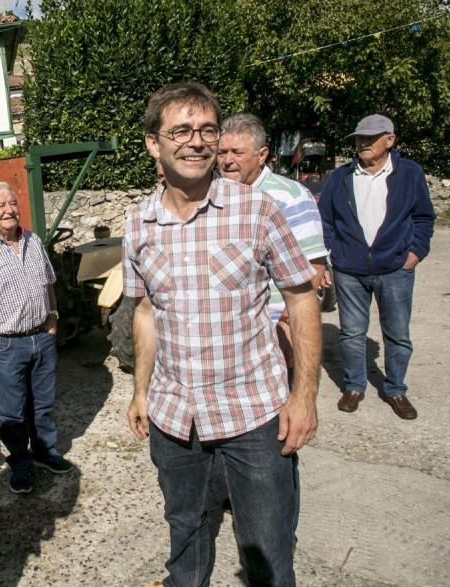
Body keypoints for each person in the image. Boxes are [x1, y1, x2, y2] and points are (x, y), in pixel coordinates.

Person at [125, 82, 321, 585]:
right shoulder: (137, 224)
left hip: (253, 416)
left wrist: (304, 397)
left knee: (268, 551)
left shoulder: (256, 209)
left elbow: (301, 297)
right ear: (153, 143)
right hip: (174, 421)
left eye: (207, 130)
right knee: (185, 536)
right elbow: (146, 310)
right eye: (182, 131)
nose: (196, 142)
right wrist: (141, 391)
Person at [0, 181, 72, 495]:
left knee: (43, 404)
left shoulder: (33, 240)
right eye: (0, 206)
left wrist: (53, 316)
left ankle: (46, 452)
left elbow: (48, 283)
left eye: (12, 203)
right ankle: (20, 464)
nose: (9, 210)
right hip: (4, 345)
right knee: (12, 413)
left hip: (42, 338)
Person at [319, 114, 435, 419]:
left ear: (390, 140)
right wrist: (331, 253)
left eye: (371, 138)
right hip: (349, 270)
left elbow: (423, 217)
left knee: (397, 334)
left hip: (395, 268)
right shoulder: (341, 177)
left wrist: (415, 253)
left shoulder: (409, 173)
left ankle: (396, 389)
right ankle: (354, 386)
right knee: (352, 333)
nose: (363, 143)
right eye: (360, 138)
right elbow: (326, 220)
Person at [218, 113, 329, 353]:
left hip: (271, 332)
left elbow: (313, 268)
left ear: (262, 155)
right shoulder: (211, 196)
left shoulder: (290, 196)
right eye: (221, 152)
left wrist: (288, 325)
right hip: (222, 337)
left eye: (237, 153)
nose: (227, 161)